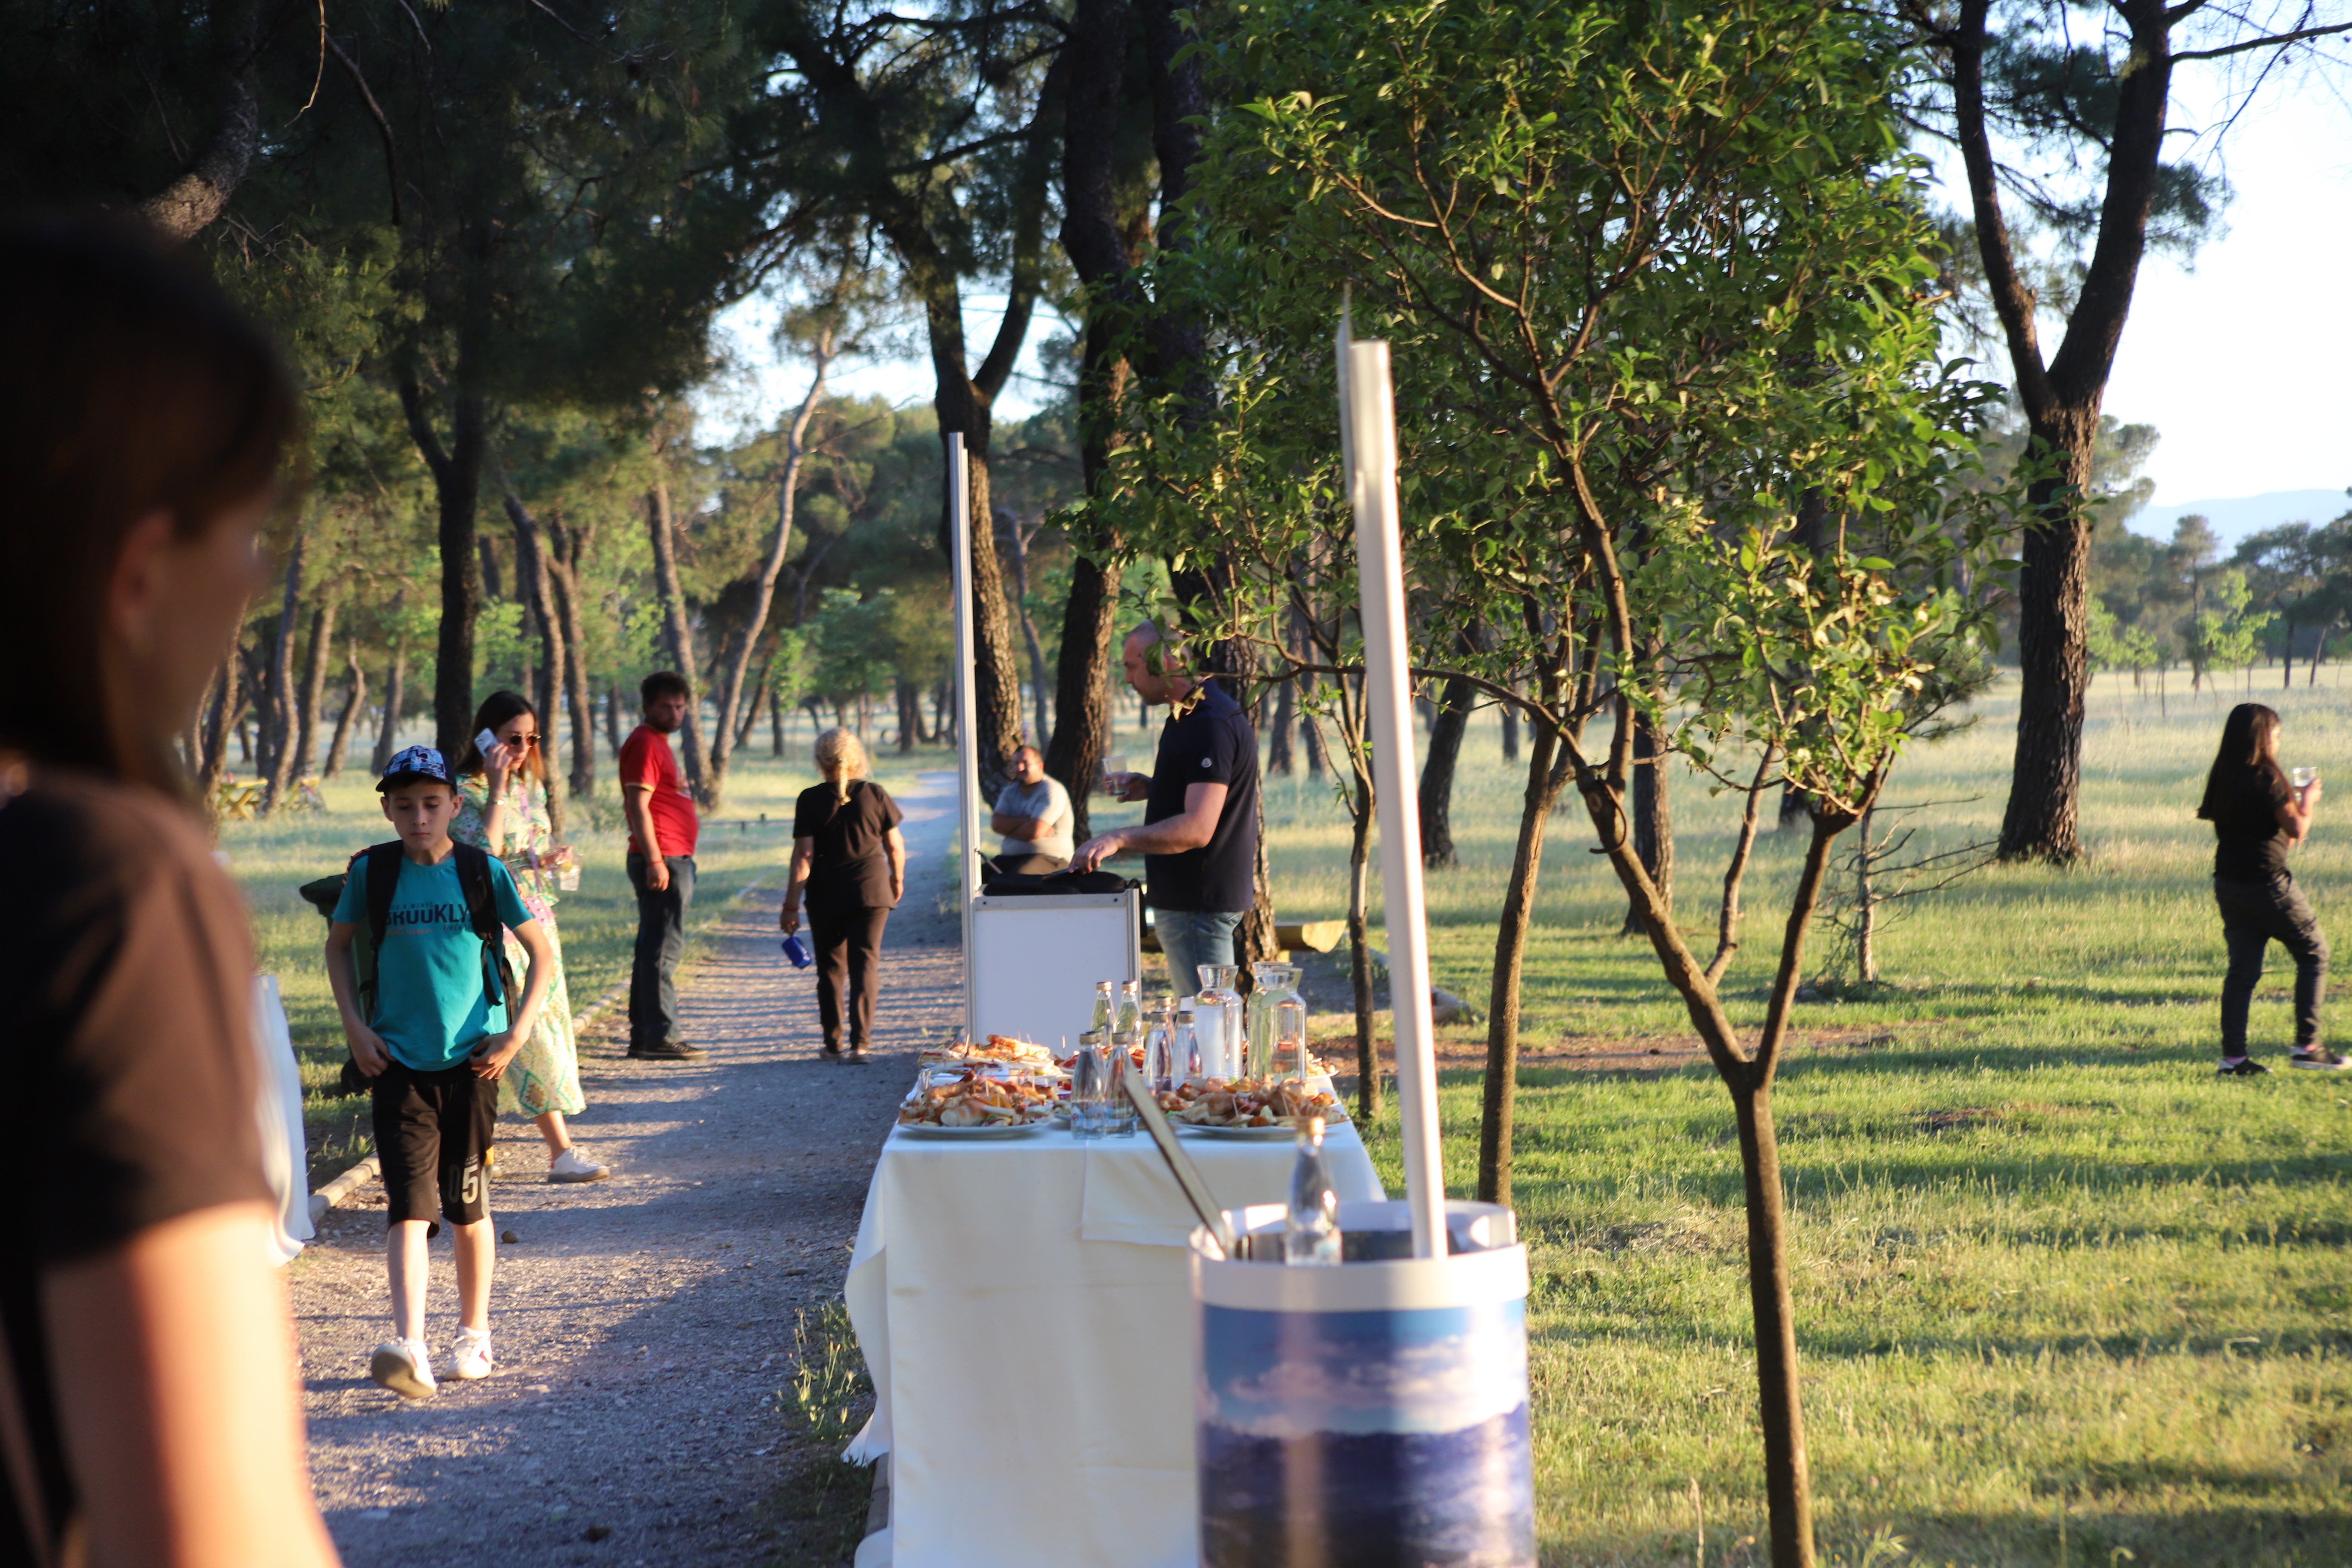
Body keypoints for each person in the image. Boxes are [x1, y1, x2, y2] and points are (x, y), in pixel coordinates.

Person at [0, 217, 337, 1565]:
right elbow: (208, 1533)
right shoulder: (103, 888)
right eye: (245, 530)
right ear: (137, 571)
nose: (255, 580)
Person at [325, 747, 555, 1398]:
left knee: (466, 1205)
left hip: (475, 1065)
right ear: (388, 811)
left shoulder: (484, 871)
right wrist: (355, 1029)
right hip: (397, 1062)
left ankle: (473, 1336)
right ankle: (410, 1344)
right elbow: (338, 947)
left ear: (457, 806)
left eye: (432, 804)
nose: (419, 818)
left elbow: (539, 953)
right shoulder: (373, 873)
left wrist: (517, 1033)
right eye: (405, 807)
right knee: (408, 1206)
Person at [452, 691, 609, 1182]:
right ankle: (560, 1153)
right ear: (486, 738)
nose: (522, 749)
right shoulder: (464, 792)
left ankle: (490, 1147)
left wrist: (550, 856)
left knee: (544, 1025)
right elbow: (483, 854)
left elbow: (528, 844)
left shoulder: (529, 788)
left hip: (536, 920)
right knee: (526, 1028)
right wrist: (496, 785)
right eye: (511, 739)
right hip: (496, 926)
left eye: (531, 738)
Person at [1072, 622, 1261, 991]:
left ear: (1165, 661)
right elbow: (1208, 799)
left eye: (1132, 666)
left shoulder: (1209, 723)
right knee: (1207, 1024)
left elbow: (1198, 827)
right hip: (1191, 903)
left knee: (1207, 1027)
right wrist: (1156, 789)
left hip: (1198, 906)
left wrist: (1119, 838)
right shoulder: (1191, 715)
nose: (1128, 679)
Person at [2197, 702, 2344, 1074]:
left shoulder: (2225, 774)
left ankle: (2234, 1060)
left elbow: (2267, 831)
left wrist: (2292, 807)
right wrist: (2307, 800)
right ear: (2262, 737)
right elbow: (2296, 830)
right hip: (2267, 885)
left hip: (2230, 884)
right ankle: (2308, 1047)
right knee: (2315, 952)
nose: (2278, 742)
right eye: (2275, 735)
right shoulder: (2265, 776)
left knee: (2242, 973)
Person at [781, 729, 907, 1063]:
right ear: (857, 758)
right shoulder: (875, 793)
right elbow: (894, 846)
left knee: (831, 969)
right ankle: (861, 1045)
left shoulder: (809, 799)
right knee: (866, 964)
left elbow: (804, 857)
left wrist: (791, 903)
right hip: (872, 890)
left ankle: (834, 1044)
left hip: (826, 895)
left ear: (820, 761)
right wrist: (897, 879)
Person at [621, 671, 705, 1061]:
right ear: (648, 706)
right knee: (663, 950)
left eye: (680, 706)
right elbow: (638, 805)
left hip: (671, 856)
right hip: (663, 859)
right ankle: (661, 1035)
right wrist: (656, 860)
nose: (674, 712)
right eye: (666, 706)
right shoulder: (643, 743)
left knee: (652, 947)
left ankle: (644, 1034)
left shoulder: (659, 742)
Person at [990, 743, 1075, 874]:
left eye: (1025, 763)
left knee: (1019, 878)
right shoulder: (1009, 792)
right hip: (1010, 859)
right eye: (1016, 763)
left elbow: (1034, 832)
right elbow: (996, 824)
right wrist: (1028, 821)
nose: (1020, 768)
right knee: (974, 877)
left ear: (1040, 766)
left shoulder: (1052, 791)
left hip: (1051, 860)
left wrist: (1008, 831)